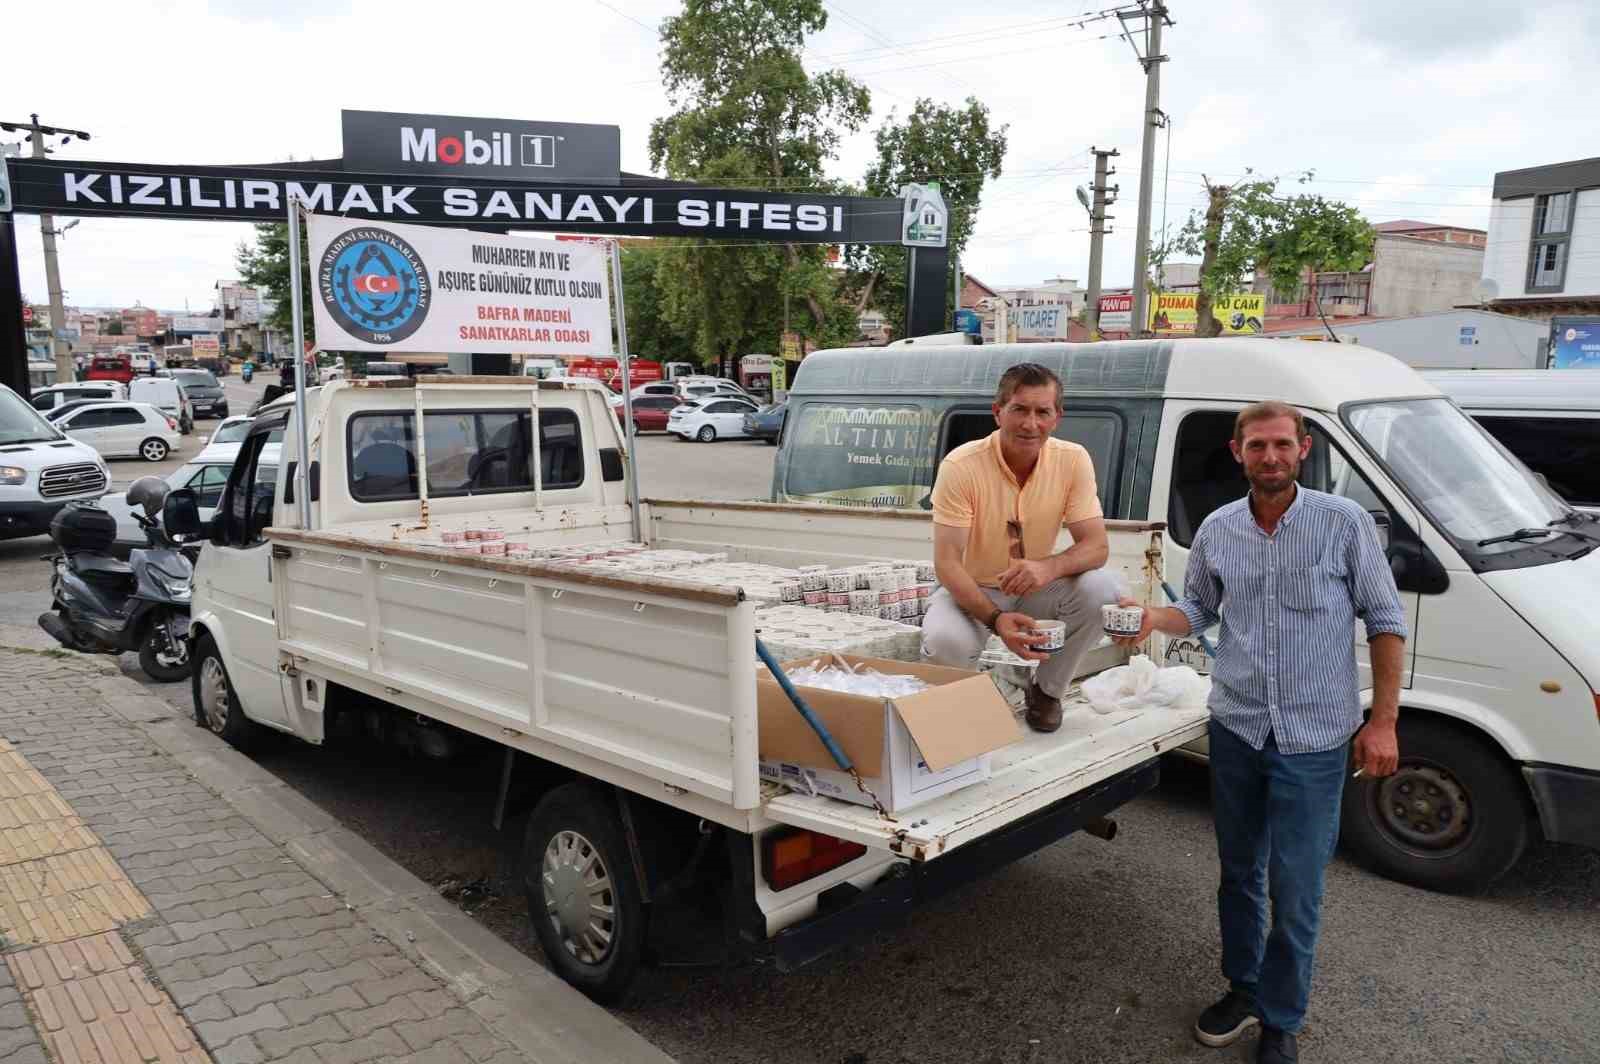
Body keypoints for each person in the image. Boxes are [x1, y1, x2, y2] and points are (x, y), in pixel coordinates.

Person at [1115, 401, 1406, 1064]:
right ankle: (1242, 989)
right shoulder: (1218, 529)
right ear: (1237, 451)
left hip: (1316, 736)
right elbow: (1198, 610)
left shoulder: (1343, 524)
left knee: (1296, 881)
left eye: (1281, 444)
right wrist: (1151, 618)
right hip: (1239, 728)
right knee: (1239, 871)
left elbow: (1386, 620)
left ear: (1303, 449)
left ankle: (1282, 1017)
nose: (1269, 457)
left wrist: (1383, 720)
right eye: (1257, 446)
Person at [921, 362, 1119, 732]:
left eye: (1043, 411)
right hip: (973, 589)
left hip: (1033, 587)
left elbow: (1096, 547)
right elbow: (948, 564)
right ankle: (954, 721)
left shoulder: (1072, 459)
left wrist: (1047, 567)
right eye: (1020, 409)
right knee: (945, 641)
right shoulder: (961, 465)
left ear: (1057, 417)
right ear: (998, 412)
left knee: (1103, 590)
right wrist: (996, 620)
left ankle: (1046, 691)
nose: (1031, 424)